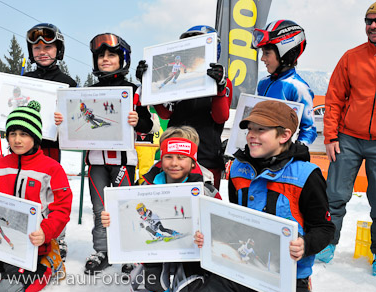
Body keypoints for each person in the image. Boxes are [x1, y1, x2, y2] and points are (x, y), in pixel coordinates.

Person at [194, 100, 335, 292]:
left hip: (288, 276)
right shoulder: (237, 170)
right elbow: (236, 220)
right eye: (250, 129)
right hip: (241, 269)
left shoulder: (306, 176)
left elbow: (325, 228)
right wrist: (211, 234)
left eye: (261, 130)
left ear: (284, 135)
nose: (251, 135)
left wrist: (305, 244)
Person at [0, 23, 76, 260]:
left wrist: (64, 120)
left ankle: (57, 237)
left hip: (50, 148)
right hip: (22, 149)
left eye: (48, 46)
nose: (42, 51)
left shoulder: (68, 83)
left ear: (59, 49)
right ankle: (19, 228)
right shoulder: (23, 80)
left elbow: (75, 124)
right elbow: (9, 110)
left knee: (50, 194)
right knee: (19, 188)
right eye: (36, 47)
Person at [62, 32, 153, 275]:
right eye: (100, 55)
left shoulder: (134, 91)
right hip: (95, 161)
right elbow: (76, 121)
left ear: (122, 59)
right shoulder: (88, 91)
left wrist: (138, 120)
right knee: (100, 209)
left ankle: (128, 251)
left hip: (124, 160)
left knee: (124, 207)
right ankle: (102, 250)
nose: (105, 59)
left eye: (111, 54)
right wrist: (64, 120)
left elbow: (150, 124)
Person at [0, 101, 72, 292]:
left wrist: (45, 232)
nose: (17, 140)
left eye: (24, 134)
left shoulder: (51, 168)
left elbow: (62, 209)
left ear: (35, 137)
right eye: (12, 134)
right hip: (0, 243)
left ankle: (50, 264)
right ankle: (3, 269)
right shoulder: (2, 164)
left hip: (35, 244)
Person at [101, 126, 221, 292]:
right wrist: (112, 218)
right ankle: (157, 291)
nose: (174, 163)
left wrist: (207, 235)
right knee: (154, 256)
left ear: (193, 162)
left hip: (191, 253)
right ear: (161, 159)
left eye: (181, 158)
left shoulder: (206, 190)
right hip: (158, 253)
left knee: (192, 274)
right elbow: (128, 217)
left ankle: (187, 289)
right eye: (168, 157)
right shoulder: (145, 187)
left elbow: (219, 224)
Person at [315, 2, 376, 276]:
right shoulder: (351, 57)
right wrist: (330, 136)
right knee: (335, 197)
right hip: (348, 138)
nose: (372, 26)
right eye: (368, 21)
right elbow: (335, 98)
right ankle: (327, 245)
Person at [138, 25, 233, 190]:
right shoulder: (178, 78)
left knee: (203, 206)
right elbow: (165, 113)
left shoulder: (223, 82)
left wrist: (219, 89)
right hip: (176, 153)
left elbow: (221, 117)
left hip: (206, 156)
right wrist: (150, 85)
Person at [252, 20, 317, 146]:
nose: (262, 58)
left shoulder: (298, 88)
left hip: (283, 157)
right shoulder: (263, 83)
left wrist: (296, 152)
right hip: (261, 151)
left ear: (285, 54)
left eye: (267, 53)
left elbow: (309, 130)